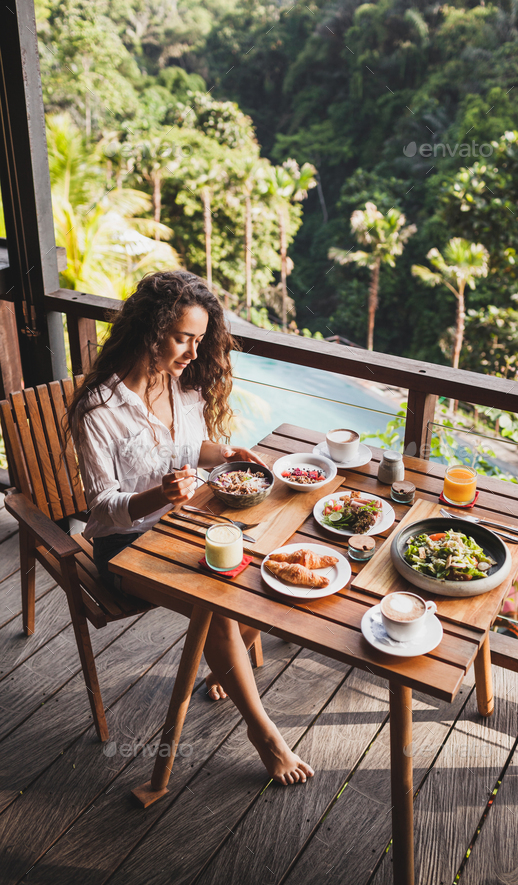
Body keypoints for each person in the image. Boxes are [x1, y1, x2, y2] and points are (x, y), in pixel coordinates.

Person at [67, 270, 314, 785]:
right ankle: (264, 734)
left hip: (185, 521)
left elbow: (185, 450)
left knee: (266, 558)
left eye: (201, 339)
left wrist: (222, 452)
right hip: (124, 546)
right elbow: (101, 508)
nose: (194, 352)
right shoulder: (100, 410)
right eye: (184, 338)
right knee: (217, 602)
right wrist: (160, 494)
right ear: (149, 330)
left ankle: (231, 664)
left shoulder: (182, 386)